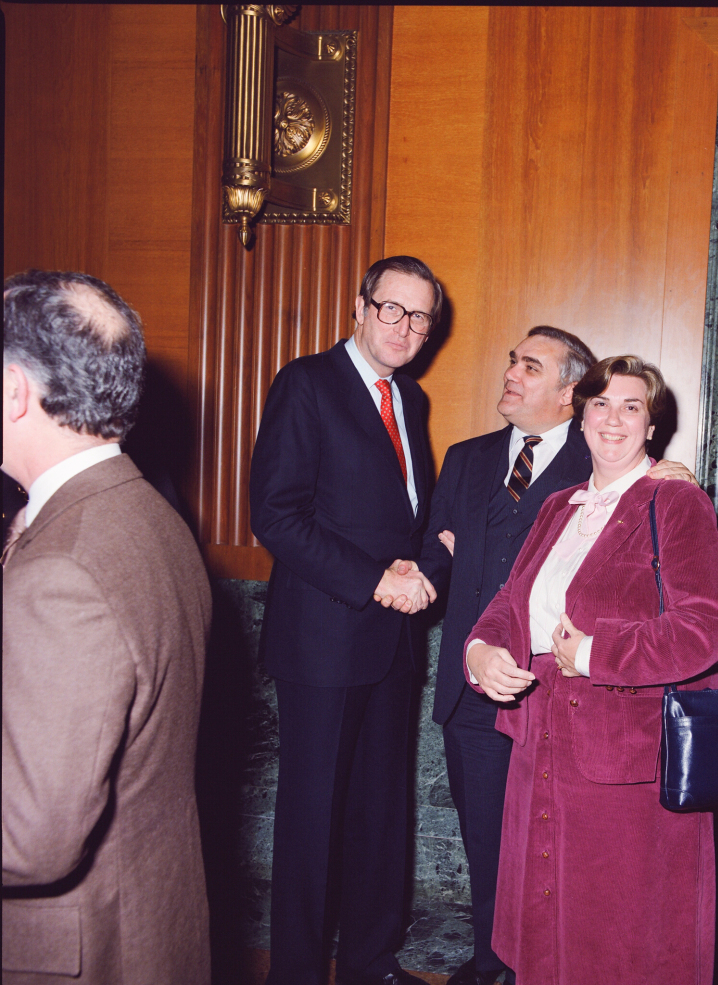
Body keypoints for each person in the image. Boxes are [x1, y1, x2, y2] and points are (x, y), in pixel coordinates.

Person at [394, 328, 695, 985]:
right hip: (476, 684)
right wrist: (422, 583)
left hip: (575, 706)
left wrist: (669, 472)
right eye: (511, 359)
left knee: (560, 858)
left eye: (530, 365)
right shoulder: (470, 458)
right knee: (487, 842)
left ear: (569, 395)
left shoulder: (599, 471)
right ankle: (492, 959)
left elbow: (694, 611)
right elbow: (444, 549)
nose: (511, 372)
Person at [462, 355, 718, 985]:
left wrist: (594, 654)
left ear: (652, 426)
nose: (613, 419)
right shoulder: (559, 504)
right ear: (580, 418)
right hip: (542, 750)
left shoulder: (676, 503)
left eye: (631, 406)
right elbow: (511, 598)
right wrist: (479, 653)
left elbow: (710, 629)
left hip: (628, 767)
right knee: (545, 936)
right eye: (600, 405)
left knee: (615, 942)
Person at [2, 270, 212, 984]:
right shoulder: (151, 513)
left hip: (74, 946)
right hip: (148, 915)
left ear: (13, 390)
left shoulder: (63, 569)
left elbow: (31, 834)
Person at [248, 256, 440, 985]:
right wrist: (375, 581)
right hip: (323, 641)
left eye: (420, 316)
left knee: (379, 815)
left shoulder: (410, 399)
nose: (405, 326)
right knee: (313, 823)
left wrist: (429, 560)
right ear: (360, 307)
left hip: (391, 645)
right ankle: (295, 972)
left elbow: (405, 517)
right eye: (392, 308)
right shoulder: (308, 382)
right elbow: (275, 515)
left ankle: (368, 961)